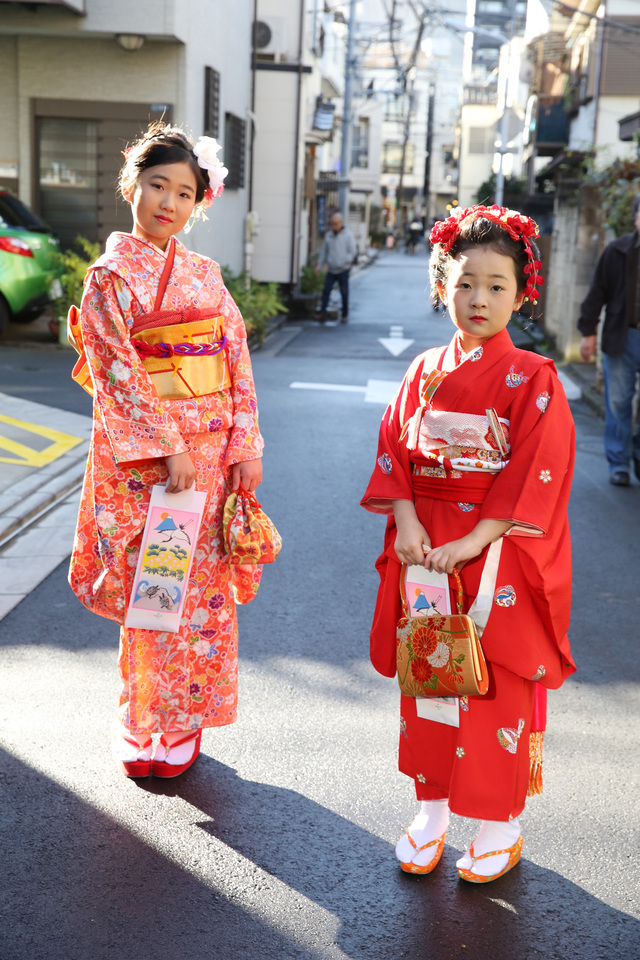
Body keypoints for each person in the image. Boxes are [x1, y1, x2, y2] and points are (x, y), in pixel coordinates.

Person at [361, 204, 576, 883]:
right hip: (426, 544)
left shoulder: (533, 379)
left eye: (496, 286)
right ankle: (430, 810)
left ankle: (498, 821)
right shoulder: (424, 368)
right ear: (442, 286)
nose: (478, 298)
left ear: (521, 294)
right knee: (430, 674)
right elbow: (395, 451)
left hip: (498, 552)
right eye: (464, 283)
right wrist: (408, 524)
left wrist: (479, 538)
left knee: (494, 685)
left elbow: (537, 470)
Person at [68, 123, 263, 779]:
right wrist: (165, 444)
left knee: (198, 596)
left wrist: (245, 444)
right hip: (145, 465)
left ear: (197, 204)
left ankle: (181, 724)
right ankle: (140, 719)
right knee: (154, 594)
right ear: (132, 186)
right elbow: (117, 372)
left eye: (184, 192)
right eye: (157, 185)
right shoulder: (110, 279)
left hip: (205, 460)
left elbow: (235, 361)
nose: (168, 203)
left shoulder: (205, 276)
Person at [578, 194, 640, 486]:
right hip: (622, 336)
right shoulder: (617, 251)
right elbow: (596, 293)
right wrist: (588, 332)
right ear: (637, 217)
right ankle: (619, 463)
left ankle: (636, 453)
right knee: (618, 403)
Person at [315, 212, 357, 323]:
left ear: (341, 223)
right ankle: (322, 313)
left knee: (344, 292)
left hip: (343, 269)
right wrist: (319, 265)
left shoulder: (348, 235)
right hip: (331, 269)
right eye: (332, 224)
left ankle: (344, 315)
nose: (334, 226)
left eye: (336, 223)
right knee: (326, 291)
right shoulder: (329, 236)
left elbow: (352, 252)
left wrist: (344, 261)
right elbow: (324, 252)